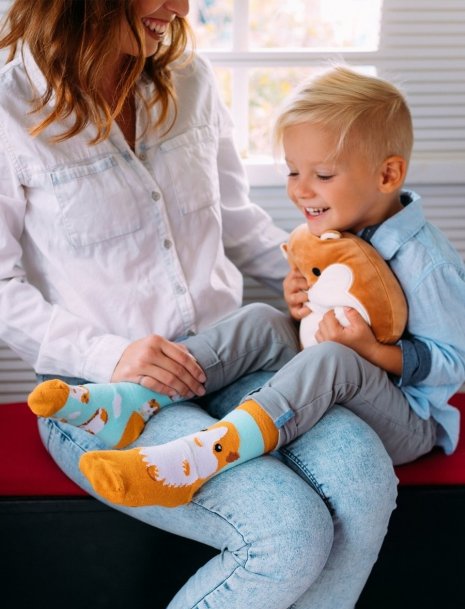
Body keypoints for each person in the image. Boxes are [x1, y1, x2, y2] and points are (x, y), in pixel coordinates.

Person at [0, 2, 398, 609]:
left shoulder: (188, 77)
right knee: (287, 532)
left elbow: (234, 218)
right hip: (102, 395)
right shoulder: (8, 104)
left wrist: (305, 279)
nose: (182, 7)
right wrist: (113, 354)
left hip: (231, 357)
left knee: (365, 479)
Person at [30, 66, 465, 510]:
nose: (301, 191)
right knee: (263, 319)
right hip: (342, 374)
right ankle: (137, 399)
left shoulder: (427, 263)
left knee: (334, 358)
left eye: (324, 175)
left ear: (388, 176)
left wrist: (369, 350)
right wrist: (301, 299)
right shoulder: (336, 231)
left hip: (410, 419)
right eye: (294, 172)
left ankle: (203, 456)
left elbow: (453, 363)